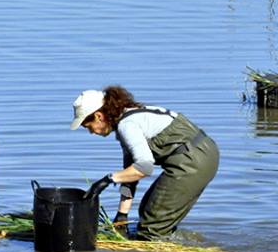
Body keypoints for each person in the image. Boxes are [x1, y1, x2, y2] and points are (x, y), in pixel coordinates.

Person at [73, 86, 219, 241]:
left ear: (99, 116)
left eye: (89, 127)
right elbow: (131, 174)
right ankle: (174, 245)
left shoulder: (127, 126)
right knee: (148, 210)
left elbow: (144, 168)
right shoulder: (129, 116)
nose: (91, 132)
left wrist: (107, 179)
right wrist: (121, 216)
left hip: (192, 160)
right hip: (203, 154)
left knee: (152, 226)